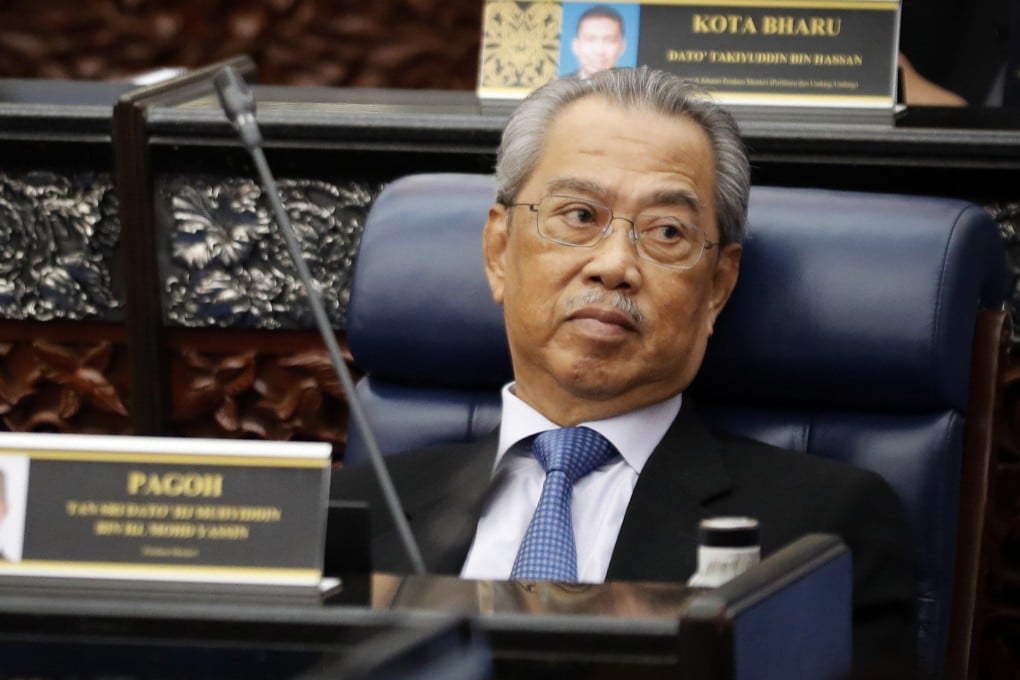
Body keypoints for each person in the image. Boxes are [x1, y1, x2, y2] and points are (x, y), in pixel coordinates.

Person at [331, 66, 917, 669]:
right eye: (579, 216)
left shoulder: (817, 533)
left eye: (666, 231)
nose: (613, 265)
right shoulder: (350, 509)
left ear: (717, 286)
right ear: (498, 251)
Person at [566, 5, 627, 80]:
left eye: (610, 40)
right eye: (590, 39)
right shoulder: (558, 88)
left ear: (622, 47)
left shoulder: (635, 89)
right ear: (576, 46)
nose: (599, 51)